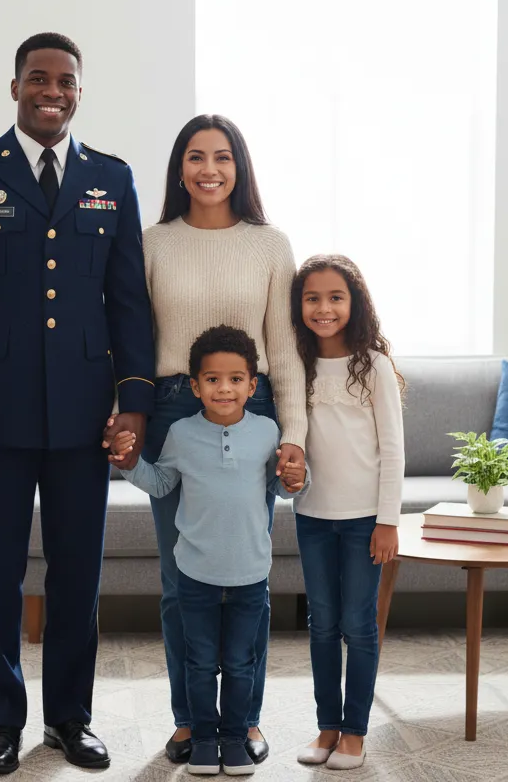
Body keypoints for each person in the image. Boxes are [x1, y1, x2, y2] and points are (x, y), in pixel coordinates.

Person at [0, 32, 155, 775]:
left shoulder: (110, 177)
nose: (52, 91)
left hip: (85, 415)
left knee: (77, 576)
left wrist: (134, 402)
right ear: (15, 86)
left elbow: (128, 300)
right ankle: (1, 723)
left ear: (80, 92)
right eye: (39, 78)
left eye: (66, 81)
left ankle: (69, 720)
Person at [102, 114, 307, 765]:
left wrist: (295, 435)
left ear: (239, 167)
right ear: (179, 168)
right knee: (179, 579)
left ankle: (245, 722)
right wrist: (128, 414)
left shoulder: (270, 245)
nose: (209, 169)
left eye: (222, 157)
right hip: (169, 409)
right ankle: (189, 721)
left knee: (248, 577)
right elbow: (131, 339)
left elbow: (285, 350)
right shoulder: (153, 242)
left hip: (254, 411)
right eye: (196, 157)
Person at [110, 325, 308, 776]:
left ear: (253, 386)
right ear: (196, 387)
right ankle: (201, 739)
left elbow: (280, 487)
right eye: (213, 379)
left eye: (236, 379)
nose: (224, 389)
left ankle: (236, 739)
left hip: (250, 576)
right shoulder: (181, 433)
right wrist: (129, 464)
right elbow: (162, 482)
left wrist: (299, 479)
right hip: (194, 575)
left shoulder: (268, 431)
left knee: (240, 663)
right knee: (199, 663)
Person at [288, 254, 404, 771]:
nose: (324, 308)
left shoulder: (372, 365)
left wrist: (388, 520)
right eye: (312, 298)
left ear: (355, 303)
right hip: (312, 515)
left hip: (365, 520)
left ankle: (355, 732)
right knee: (321, 625)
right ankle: (327, 726)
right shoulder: (295, 363)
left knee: (358, 625)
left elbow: (393, 449)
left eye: (336, 297)